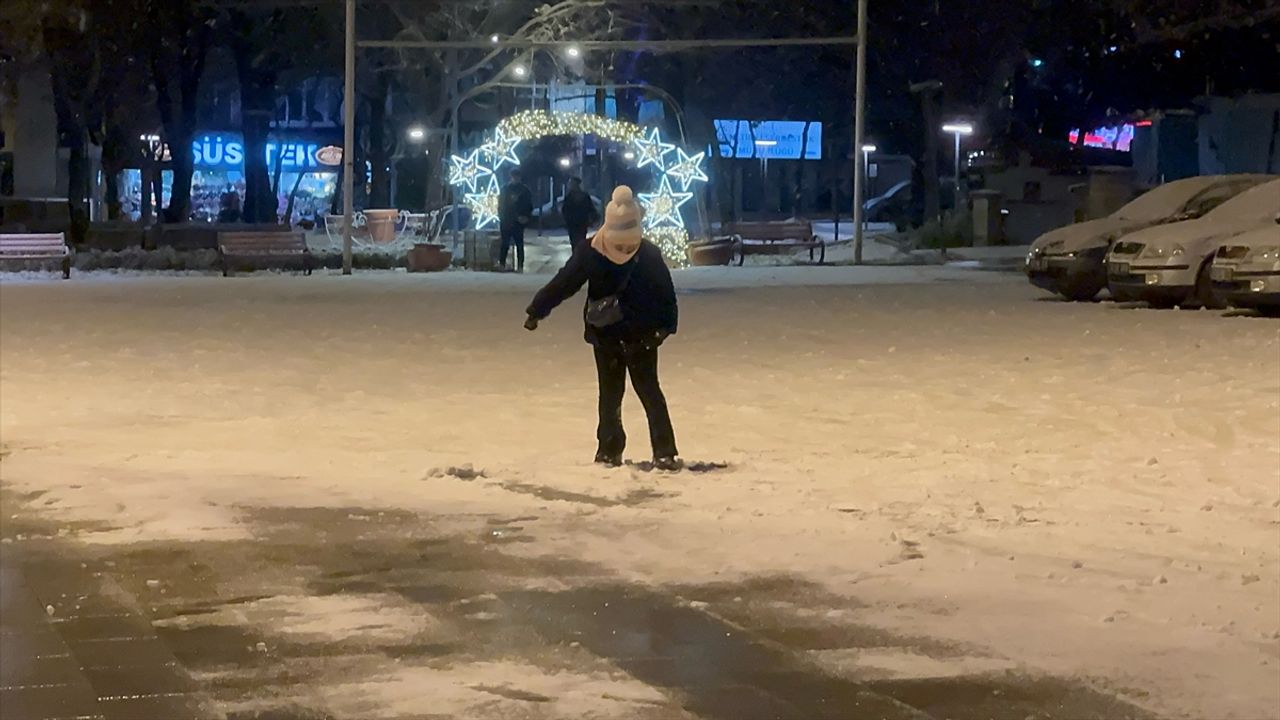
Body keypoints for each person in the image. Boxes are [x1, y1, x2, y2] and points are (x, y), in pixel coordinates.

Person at [525, 186, 681, 471]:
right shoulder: (645, 252)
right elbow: (666, 294)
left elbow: (564, 283)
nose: (623, 250)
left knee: (613, 394)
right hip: (637, 334)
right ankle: (662, 451)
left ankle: (611, 450)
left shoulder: (593, 250)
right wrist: (665, 327)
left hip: (615, 332)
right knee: (646, 392)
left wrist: (537, 310)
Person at [498, 169, 534, 272]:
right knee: (505, 243)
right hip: (507, 221)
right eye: (514, 176)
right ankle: (502, 264)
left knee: (519, 244)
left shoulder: (524, 190)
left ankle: (519, 266)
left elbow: (529, 205)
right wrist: (502, 217)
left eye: (517, 176)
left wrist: (525, 217)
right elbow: (501, 205)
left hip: (518, 221)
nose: (515, 178)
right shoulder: (505, 189)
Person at [560, 177, 599, 252]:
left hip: (577, 224)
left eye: (571, 183)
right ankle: (578, 255)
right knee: (579, 242)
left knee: (577, 243)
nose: (570, 185)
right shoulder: (572, 196)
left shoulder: (572, 196)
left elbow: (564, 210)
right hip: (577, 224)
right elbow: (565, 210)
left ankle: (577, 255)